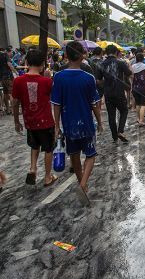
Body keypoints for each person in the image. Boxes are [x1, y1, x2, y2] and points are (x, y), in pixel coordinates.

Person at [51, 41, 103, 204]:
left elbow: (56, 104)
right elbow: (94, 104)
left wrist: (56, 126)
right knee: (91, 155)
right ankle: (83, 184)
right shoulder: (88, 78)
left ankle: (81, 182)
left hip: (69, 124)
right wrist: (100, 121)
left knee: (73, 155)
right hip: (86, 123)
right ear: (82, 56)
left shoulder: (58, 77)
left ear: (66, 55)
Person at [11, 50, 57, 187]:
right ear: (43, 64)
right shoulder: (47, 81)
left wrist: (16, 121)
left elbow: (14, 103)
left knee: (34, 145)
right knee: (48, 149)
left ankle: (32, 168)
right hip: (46, 121)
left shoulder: (18, 81)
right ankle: (48, 177)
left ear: (26, 63)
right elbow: (53, 100)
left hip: (29, 122)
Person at [98, 44, 132, 143]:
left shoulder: (101, 64)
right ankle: (120, 131)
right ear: (116, 52)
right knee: (124, 111)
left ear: (106, 53)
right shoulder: (120, 63)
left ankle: (114, 137)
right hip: (119, 92)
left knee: (111, 115)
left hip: (108, 93)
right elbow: (129, 74)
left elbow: (99, 81)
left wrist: (106, 81)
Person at [131, 53, 145, 126]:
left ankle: (138, 118)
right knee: (143, 105)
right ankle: (141, 121)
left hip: (135, 88)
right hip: (144, 88)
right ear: (143, 58)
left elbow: (131, 76)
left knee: (137, 104)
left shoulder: (132, 66)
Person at [0, 47, 18, 114]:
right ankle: (13, 110)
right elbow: (9, 64)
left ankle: (8, 110)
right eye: (11, 52)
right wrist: (16, 72)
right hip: (8, 76)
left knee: (5, 93)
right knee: (11, 93)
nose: (11, 54)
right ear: (8, 52)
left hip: (2, 78)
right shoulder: (5, 55)